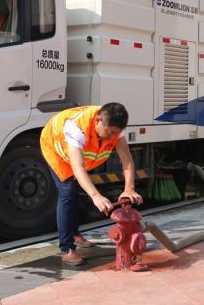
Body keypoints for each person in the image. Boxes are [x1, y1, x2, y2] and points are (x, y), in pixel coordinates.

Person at [40, 103, 143, 266]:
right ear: (98, 120)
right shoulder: (75, 129)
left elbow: (127, 160)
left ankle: (74, 234)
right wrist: (96, 196)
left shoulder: (114, 126)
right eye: (110, 132)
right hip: (56, 149)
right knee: (68, 192)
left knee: (74, 191)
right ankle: (66, 249)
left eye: (116, 133)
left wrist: (129, 189)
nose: (112, 137)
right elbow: (77, 167)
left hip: (80, 158)